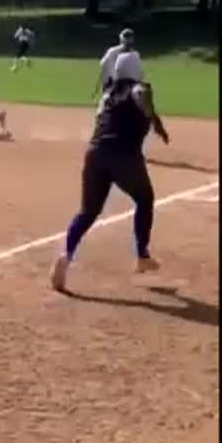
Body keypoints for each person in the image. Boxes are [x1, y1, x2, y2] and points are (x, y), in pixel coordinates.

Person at [52, 41, 169, 291]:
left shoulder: (108, 92)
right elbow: (140, 95)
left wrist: (155, 122)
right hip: (124, 156)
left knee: (88, 212)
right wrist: (150, 114)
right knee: (145, 199)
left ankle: (65, 256)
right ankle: (142, 255)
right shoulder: (140, 88)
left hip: (95, 153)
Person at [95, 28, 135, 100]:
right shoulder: (132, 53)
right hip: (115, 83)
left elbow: (103, 65)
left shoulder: (113, 51)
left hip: (119, 83)